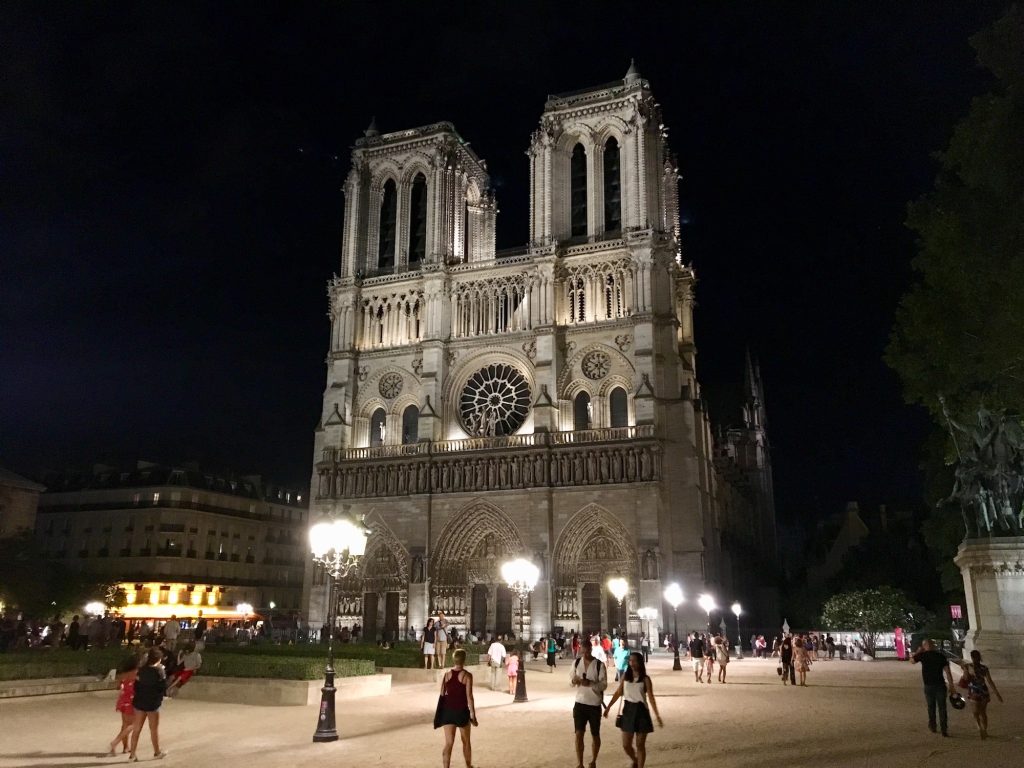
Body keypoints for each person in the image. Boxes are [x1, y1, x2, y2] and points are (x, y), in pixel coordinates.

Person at [603, 652, 662, 768]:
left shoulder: (645, 679)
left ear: (640, 662)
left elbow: (651, 698)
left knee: (640, 745)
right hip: (628, 710)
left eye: (634, 661)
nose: (631, 663)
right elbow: (618, 692)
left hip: (641, 711)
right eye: (630, 660)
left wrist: (657, 715)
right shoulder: (626, 676)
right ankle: (635, 760)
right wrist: (608, 707)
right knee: (626, 744)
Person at [434, 648, 477, 768]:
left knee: (448, 743)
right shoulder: (467, 676)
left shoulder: (447, 675)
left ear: (454, 660)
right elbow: (469, 697)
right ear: (464, 660)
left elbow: (442, 694)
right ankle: (468, 766)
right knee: (466, 741)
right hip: (461, 711)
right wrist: (473, 716)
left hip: (448, 712)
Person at [571, 640, 607, 768]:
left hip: (594, 704)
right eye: (583, 651)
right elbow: (570, 682)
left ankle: (593, 760)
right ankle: (580, 763)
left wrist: (590, 683)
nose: (585, 654)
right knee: (578, 734)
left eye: (587, 651)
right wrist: (574, 681)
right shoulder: (576, 663)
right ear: (581, 650)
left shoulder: (599, 665)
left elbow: (603, 685)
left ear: (591, 650)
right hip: (580, 702)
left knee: (595, 734)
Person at [128, 648, 167, 761]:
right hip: (152, 704)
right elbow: (162, 688)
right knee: (153, 729)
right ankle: (157, 752)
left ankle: (132, 754)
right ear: (158, 659)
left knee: (137, 729)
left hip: (139, 701)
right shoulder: (159, 671)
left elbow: (136, 686)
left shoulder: (141, 670)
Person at [910, 639, 956, 736]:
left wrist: (918, 651)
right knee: (942, 707)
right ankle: (944, 729)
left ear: (924, 646)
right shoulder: (941, 656)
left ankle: (933, 725)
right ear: (933, 645)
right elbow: (948, 672)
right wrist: (951, 686)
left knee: (931, 707)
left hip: (929, 685)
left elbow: (912, 661)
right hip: (940, 684)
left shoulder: (923, 655)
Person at [959, 649, 1003, 739]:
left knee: (977, 712)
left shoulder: (971, 667)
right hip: (982, 690)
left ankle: (981, 728)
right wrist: (997, 693)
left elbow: (966, 678)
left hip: (975, 691)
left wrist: (966, 670)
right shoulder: (981, 668)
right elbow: (989, 681)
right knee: (982, 712)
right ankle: (983, 729)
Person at [102, 655, 140, 756]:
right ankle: (115, 742)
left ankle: (125, 747)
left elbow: (118, 686)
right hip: (132, 700)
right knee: (135, 724)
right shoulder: (136, 674)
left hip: (123, 700)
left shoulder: (123, 674)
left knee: (125, 724)